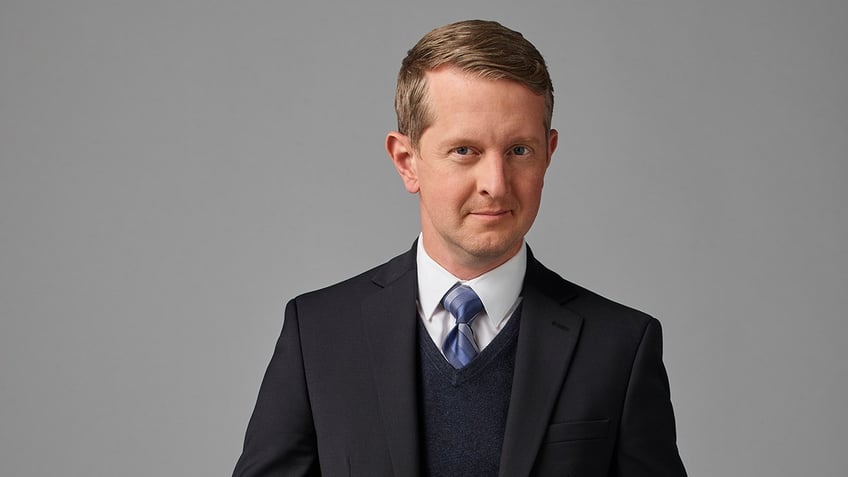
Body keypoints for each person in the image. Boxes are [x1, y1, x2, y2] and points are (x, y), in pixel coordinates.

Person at [233, 19, 687, 477]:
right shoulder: (320, 334)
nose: (496, 183)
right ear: (407, 162)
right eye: (465, 150)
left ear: (549, 154)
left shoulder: (619, 346)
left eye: (519, 151)